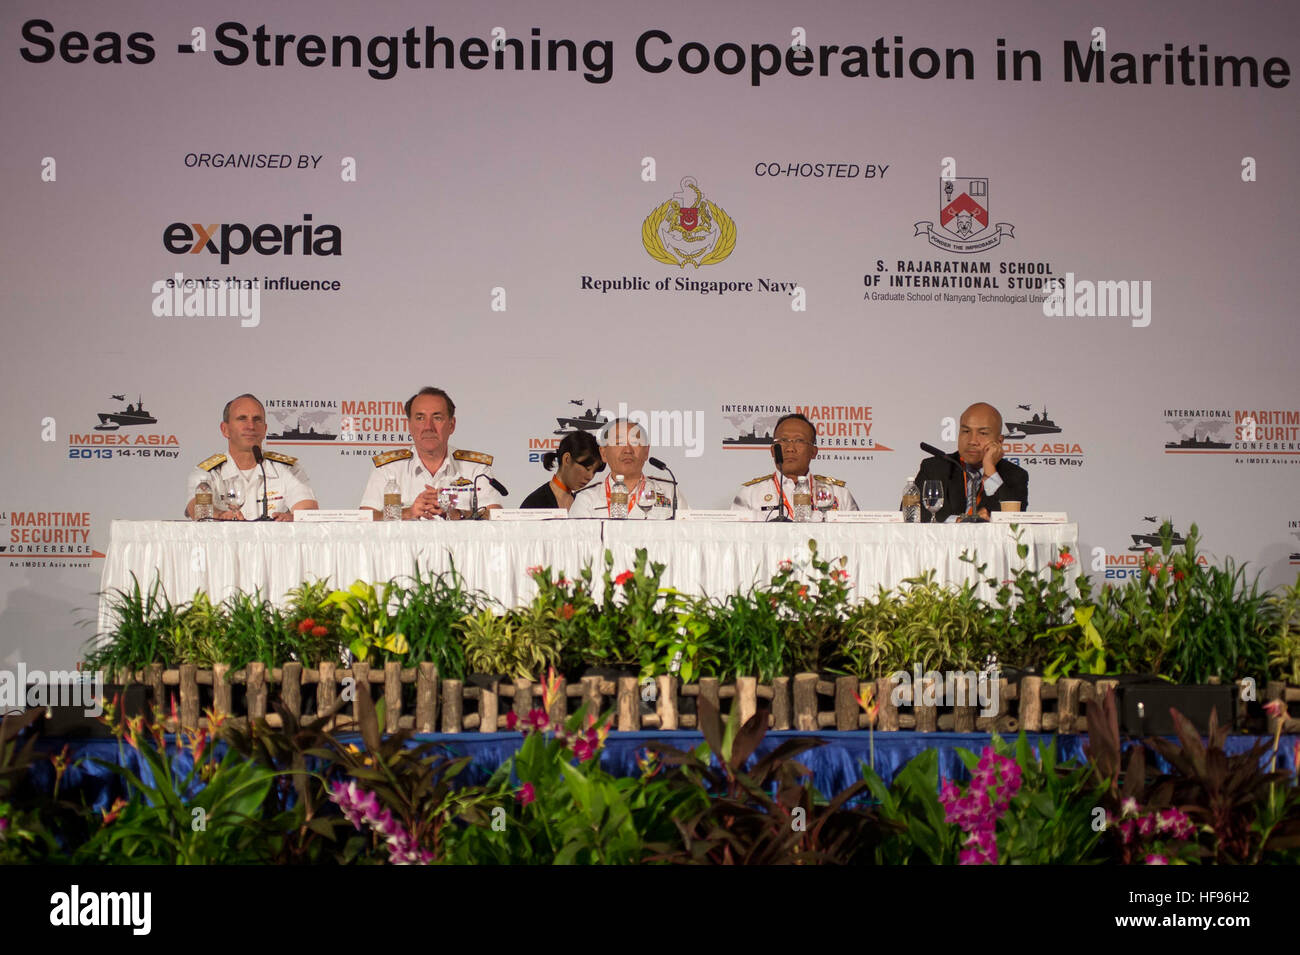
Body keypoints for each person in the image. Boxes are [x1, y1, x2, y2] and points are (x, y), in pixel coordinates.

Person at [360, 386, 503, 519]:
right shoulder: (388, 468)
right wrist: (407, 513)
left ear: (451, 425)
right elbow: (364, 518)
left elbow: (496, 517)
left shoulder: (476, 469)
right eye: (420, 418)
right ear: (410, 426)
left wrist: (458, 514)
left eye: (437, 418)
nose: (428, 427)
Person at [185, 393, 318, 521]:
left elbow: (307, 509)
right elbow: (197, 507)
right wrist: (220, 515)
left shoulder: (288, 469)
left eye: (257, 419)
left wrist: (294, 519)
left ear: (265, 429)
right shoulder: (207, 472)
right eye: (242, 419)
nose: (251, 426)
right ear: (225, 429)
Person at [912, 402, 1028, 522]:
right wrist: (961, 520)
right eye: (966, 431)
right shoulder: (935, 467)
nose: (972, 441)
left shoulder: (1015, 474)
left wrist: (990, 469)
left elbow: (1013, 519)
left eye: (983, 433)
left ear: (999, 441)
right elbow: (912, 514)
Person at [730, 413, 858, 520]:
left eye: (799, 440)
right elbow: (736, 540)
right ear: (773, 450)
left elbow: (859, 540)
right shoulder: (750, 494)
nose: (790, 448)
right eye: (783, 440)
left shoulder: (839, 494)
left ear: (813, 452)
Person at [568, 418, 685, 519]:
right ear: (603, 453)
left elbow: (690, 536)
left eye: (635, 442)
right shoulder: (587, 499)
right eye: (619, 443)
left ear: (646, 452)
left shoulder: (670, 493)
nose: (628, 450)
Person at [521, 430, 603, 510]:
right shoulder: (534, 504)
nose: (590, 476)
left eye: (594, 471)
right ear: (567, 459)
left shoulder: (582, 502)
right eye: (587, 468)